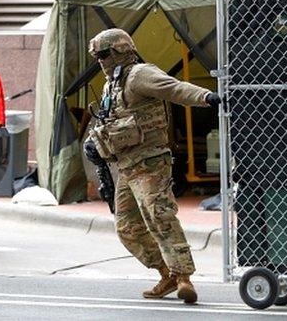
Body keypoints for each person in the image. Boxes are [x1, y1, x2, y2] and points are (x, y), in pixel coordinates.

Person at [84, 28, 221, 305]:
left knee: (159, 215)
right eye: (97, 56)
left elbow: (174, 88)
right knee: (127, 227)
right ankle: (166, 273)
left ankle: (183, 277)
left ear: (120, 51)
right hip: (126, 165)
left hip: (150, 162)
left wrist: (207, 97)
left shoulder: (139, 75)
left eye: (104, 54)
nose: (100, 60)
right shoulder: (114, 82)